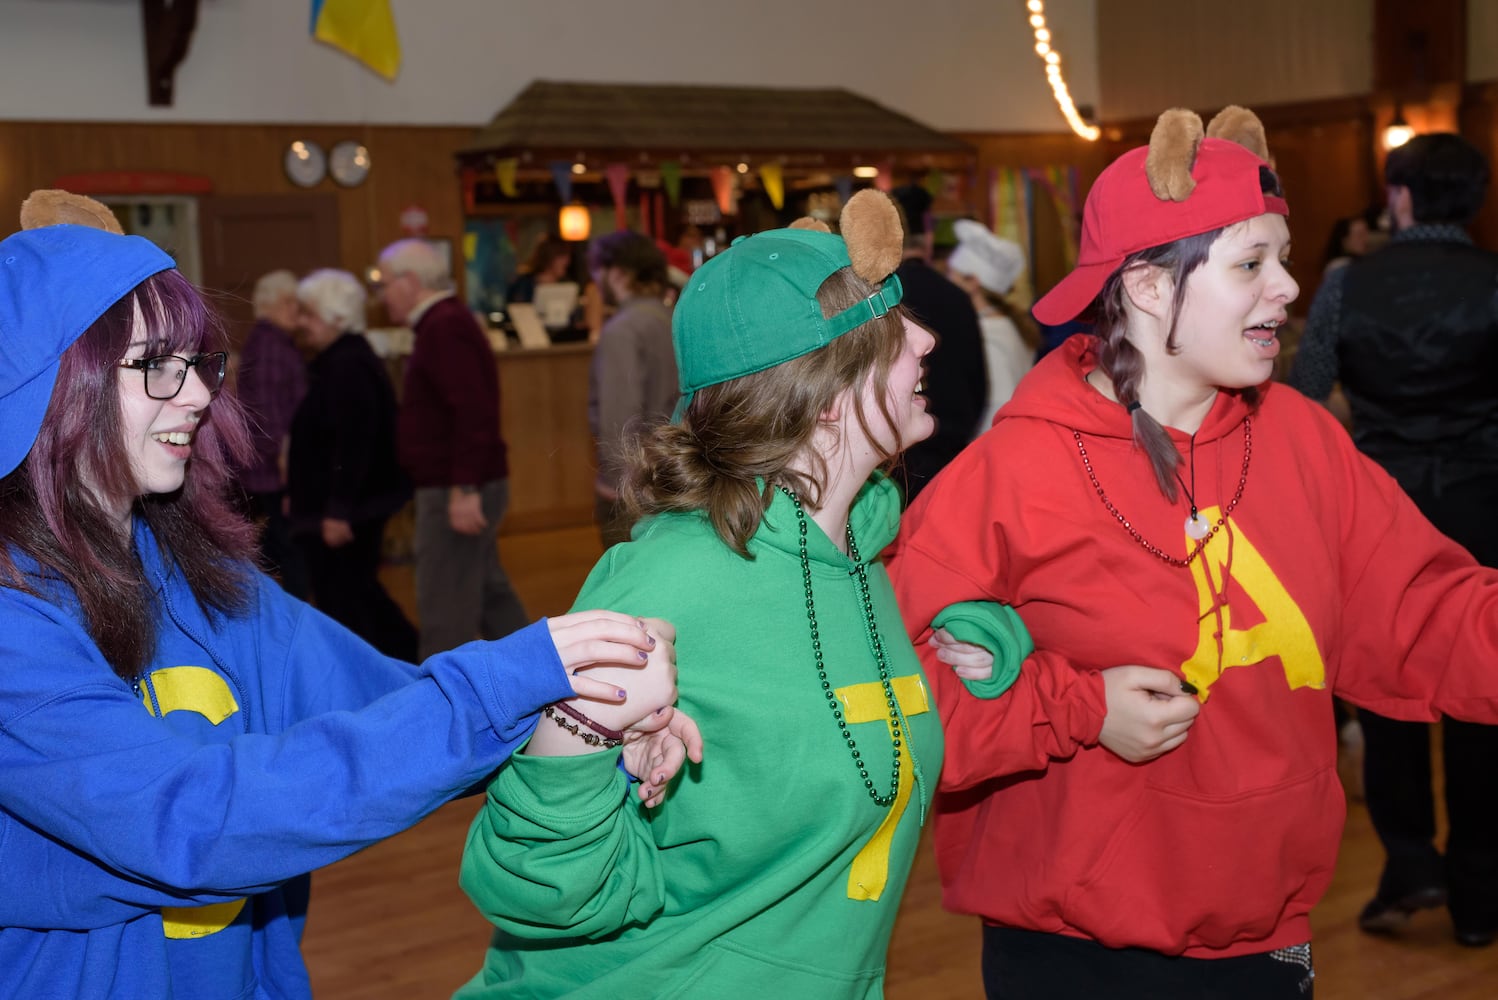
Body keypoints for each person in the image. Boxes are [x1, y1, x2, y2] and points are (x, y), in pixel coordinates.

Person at [0, 190, 692, 1000]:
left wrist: (582, 712)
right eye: (156, 365)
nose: (195, 394)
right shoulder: (14, 623)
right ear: (52, 387)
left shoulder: (197, 579)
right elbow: (192, 818)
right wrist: (503, 684)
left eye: (198, 364)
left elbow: (383, 702)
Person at [886, 106, 1498, 998]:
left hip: (1265, 934)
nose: (1286, 289)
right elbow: (898, 691)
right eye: (1251, 264)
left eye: (1280, 260)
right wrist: (1077, 708)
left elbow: (1425, 611)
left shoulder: (1302, 439)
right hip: (1074, 952)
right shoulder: (1013, 472)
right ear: (1145, 285)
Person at [454, 190, 983, 998]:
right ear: (822, 388)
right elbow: (532, 888)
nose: (927, 338)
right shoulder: (667, 582)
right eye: (891, 326)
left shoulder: (861, 552)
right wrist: (573, 757)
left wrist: (995, 644)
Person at [1288, 132, 1498, 948]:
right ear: (1473, 200)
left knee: (1385, 692)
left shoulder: (1348, 285)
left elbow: (1304, 398)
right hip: (1485, 503)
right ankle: (1482, 888)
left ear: (1400, 197)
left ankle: (1410, 862)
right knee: (1485, 694)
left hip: (1382, 511)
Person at [378, 238, 528, 660]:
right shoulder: (444, 323)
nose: (382, 294)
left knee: (446, 606)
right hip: (459, 482)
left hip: (455, 487)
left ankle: (445, 710)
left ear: (410, 282)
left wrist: (464, 488)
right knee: (487, 591)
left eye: (386, 283)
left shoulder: (444, 326)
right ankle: (546, 680)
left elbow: (473, 412)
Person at [286, 268, 417, 661]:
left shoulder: (349, 365)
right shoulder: (340, 360)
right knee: (357, 597)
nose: (301, 324)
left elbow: (354, 444)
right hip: (341, 510)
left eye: (309, 315)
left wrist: (337, 512)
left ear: (335, 319)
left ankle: (394, 667)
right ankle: (403, 662)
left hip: (347, 515)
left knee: (350, 603)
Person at [889, 183, 988, 500]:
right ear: (928, 240)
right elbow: (978, 384)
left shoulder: (880, 299)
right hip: (951, 454)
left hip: (892, 461)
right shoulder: (957, 298)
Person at [586, 230, 677, 547]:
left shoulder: (621, 331)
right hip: (675, 478)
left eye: (598, 271)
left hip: (633, 489)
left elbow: (618, 415)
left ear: (617, 273)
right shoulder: (672, 318)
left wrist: (614, 485)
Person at [234, 268, 309, 598]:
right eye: (292, 302)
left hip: (272, 470)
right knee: (289, 557)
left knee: (280, 553)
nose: (298, 310)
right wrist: (288, 465)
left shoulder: (272, 343)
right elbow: (268, 414)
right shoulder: (271, 347)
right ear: (274, 305)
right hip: (274, 473)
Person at [946, 219, 1037, 430]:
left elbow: (998, 410)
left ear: (973, 283)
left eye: (952, 276)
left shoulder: (989, 334)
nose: (947, 283)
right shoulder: (1008, 322)